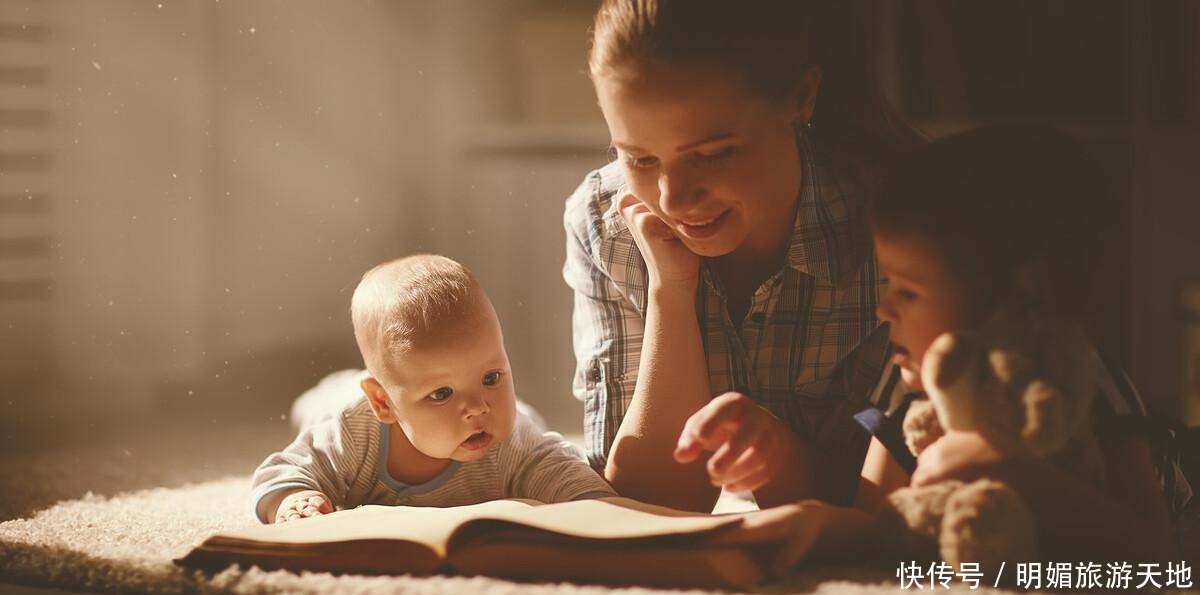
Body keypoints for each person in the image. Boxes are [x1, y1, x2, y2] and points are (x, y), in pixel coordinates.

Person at [716, 126, 1187, 575]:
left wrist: (1014, 474)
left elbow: (1153, 557)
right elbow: (877, 521)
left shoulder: (1078, 376)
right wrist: (817, 524)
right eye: (886, 284)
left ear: (1019, 298)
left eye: (908, 292)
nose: (882, 310)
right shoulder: (907, 384)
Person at [564, 0, 921, 512]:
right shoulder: (608, 222)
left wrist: (783, 459)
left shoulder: (895, 224)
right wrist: (671, 291)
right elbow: (649, 503)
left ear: (801, 97)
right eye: (640, 158)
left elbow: (897, 505)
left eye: (713, 154)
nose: (673, 199)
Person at [251, 254, 614, 524]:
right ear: (383, 402)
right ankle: (326, 387)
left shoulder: (513, 443)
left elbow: (564, 474)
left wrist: (598, 505)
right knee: (318, 403)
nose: (476, 407)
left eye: (491, 377)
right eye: (442, 393)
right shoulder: (350, 436)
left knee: (521, 416)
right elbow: (282, 473)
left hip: (507, 413)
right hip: (340, 397)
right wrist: (293, 500)